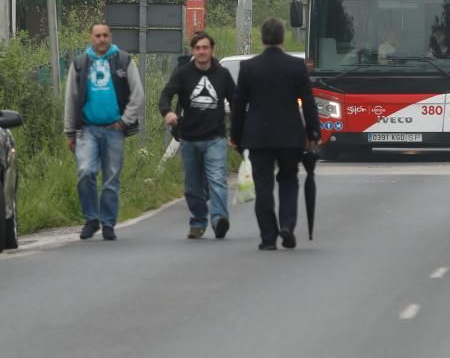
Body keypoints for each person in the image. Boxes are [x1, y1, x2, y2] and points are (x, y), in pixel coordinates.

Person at [230, 18, 321, 250]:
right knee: (289, 180)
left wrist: (236, 136)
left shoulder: (249, 67)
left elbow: (239, 105)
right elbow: (309, 103)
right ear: (282, 38)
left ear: (262, 39)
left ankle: (268, 238)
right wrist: (313, 131)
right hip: (290, 136)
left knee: (263, 186)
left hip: (258, 137)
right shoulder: (296, 66)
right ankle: (287, 226)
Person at [64, 23, 145, 241]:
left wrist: (124, 121)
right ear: (91, 37)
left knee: (111, 179)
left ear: (111, 36)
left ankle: (108, 223)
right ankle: (91, 218)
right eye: (97, 35)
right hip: (87, 129)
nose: (101, 39)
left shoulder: (124, 60)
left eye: (105, 35)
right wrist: (70, 132)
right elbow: (71, 98)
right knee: (85, 172)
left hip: (113, 130)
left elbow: (138, 95)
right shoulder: (80, 63)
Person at [158, 31, 236, 240]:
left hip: (215, 138)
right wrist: (168, 112)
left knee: (217, 179)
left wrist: (235, 131)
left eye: (205, 48)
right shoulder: (183, 74)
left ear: (212, 50)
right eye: (198, 48)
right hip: (189, 138)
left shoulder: (222, 75)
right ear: (193, 51)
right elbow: (166, 95)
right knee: (193, 186)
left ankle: (219, 219)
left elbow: (236, 101)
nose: (202, 52)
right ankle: (199, 221)